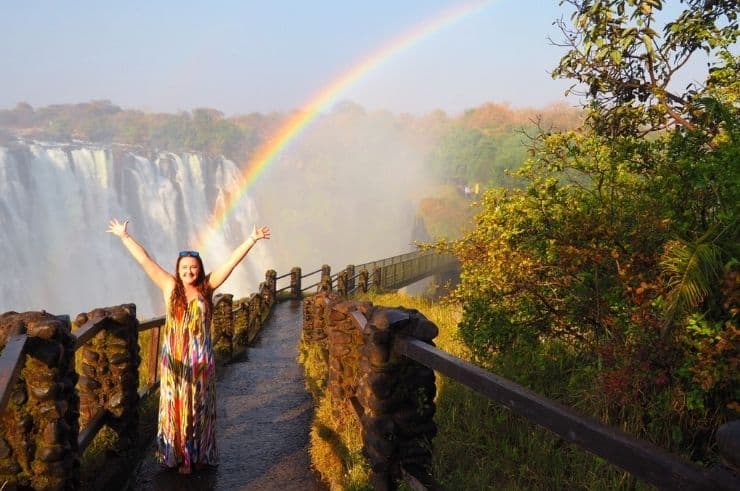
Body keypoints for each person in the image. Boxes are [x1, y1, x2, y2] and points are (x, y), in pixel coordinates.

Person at [106, 218, 271, 474]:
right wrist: (124, 237)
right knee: (176, 406)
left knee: (198, 407)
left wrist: (252, 239)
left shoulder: (208, 287)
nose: (188, 272)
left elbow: (231, 263)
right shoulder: (169, 286)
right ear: (178, 269)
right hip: (175, 360)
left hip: (201, 361)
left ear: (200, 269)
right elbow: (145, 261)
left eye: (193, 268)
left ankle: (197, 453)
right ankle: (179, 456)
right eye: (184, 268)